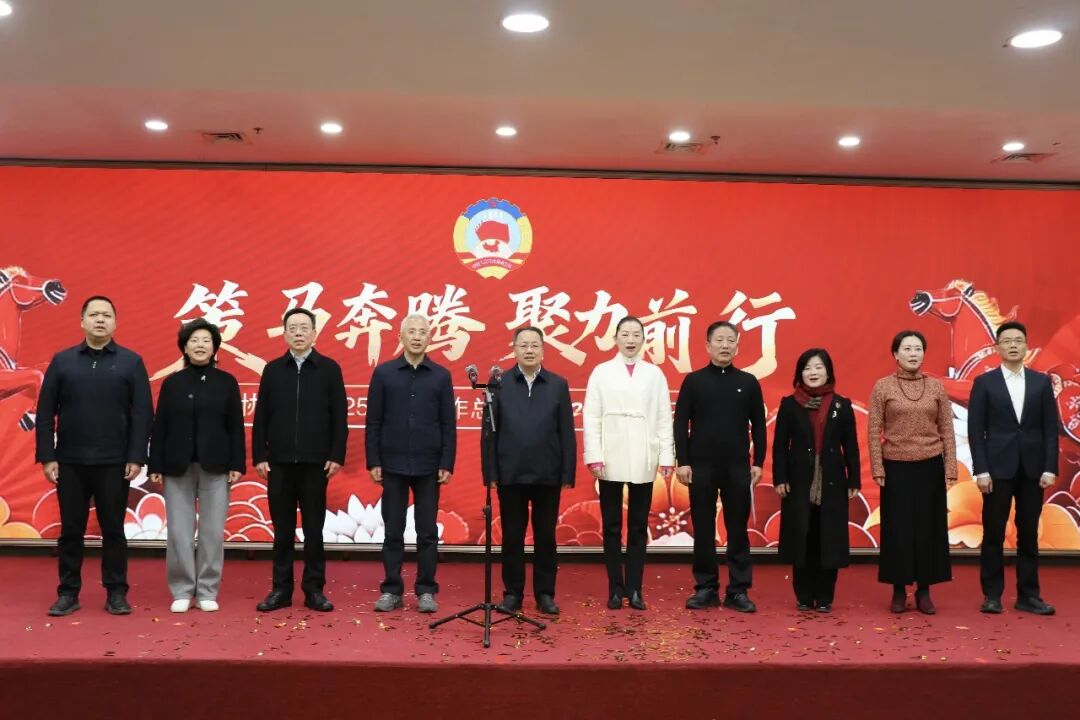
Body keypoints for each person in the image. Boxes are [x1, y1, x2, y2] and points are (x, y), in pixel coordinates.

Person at [36, 295, 153, 617]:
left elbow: (142, 413)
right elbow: (45, 412)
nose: (100, 320)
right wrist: (48, 456)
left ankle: (116, 592)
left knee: (113, 530)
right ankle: (68, 593)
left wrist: (136, 457)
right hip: (70, 461)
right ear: (82, 321)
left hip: (114, 462)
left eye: (106, 315)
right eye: (94, 314)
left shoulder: (131, 362)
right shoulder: (63, 361)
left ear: (115, 322)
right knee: (71, 531)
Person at [252, 308, 347, 613]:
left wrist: (336, 455)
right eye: (292, 328)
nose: (298, 333)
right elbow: (261, 416)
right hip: (279, 463)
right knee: (282, 530)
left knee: (314, 530)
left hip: (315, 464)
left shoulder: (329, 369)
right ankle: (281, 589)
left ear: (315, 333)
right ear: (284, 334)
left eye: (304, 327)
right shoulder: (273, 370)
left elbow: (339, 417)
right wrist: (259, 455)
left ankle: (314, 590)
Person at [148, 318, 244, 613]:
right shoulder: (173, 383)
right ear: (184, 347)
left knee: (212, 532)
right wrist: (155, 464)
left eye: (206, 340)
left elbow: (235, 426)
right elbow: (160, 426)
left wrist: (237, 463)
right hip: (177, 465)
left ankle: (207, 590)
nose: (200, 345)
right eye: (194, 340)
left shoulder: (227, 382)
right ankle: (181, 589)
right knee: (179, 531)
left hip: (217, 466)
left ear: (215, 347)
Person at [582, 316, 674, 611]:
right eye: (625, 334)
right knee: (611, 525)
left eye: (636, 334)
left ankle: (635, 588)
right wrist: (594, 454)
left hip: (644, 452)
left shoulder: (654, 374)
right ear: (616, 339)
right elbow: (591, 416)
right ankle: (614, 588)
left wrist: (667, 456)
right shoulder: (601, 371)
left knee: (638, 525)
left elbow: (664, 416)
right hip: (610, 451)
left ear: (644, 339)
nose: (631, 339)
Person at [674, 321, 766, 613]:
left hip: (737, 466)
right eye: (719, 340)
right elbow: (681, 423)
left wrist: (758, 461)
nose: (725, 345)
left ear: (737, 346)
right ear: (708, 345)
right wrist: (683, 461)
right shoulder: (694, 381)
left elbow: (759, 426)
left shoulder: (748, 382)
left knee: (737, 529)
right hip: (701, 466)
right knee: (703, 528)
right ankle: (706, 588)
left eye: (730, 341)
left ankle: (738, 590)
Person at [968, 321, 1059, 615]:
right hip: (996, 470)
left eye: (1018, 340)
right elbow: (975, 430)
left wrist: (1050, 467)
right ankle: (992, 595)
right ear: (997, 347)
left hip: (1033, 469)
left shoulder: (1041, 382)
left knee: (1029, 533)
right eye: (1007, 341)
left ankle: (1028, 595)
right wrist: (981, 470)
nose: (1013, 345)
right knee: (993, 533)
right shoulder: (985, 383)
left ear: (1027, 346)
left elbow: (1050, 429)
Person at [367, 314, 455, 614]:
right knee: (393, 530)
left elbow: (448, 423)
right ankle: (391, 589)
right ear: (401, 337)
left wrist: (447, 462)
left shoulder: (441, 376)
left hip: (429, 465)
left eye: (422, 332)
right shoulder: (384, 373)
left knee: (427, 532)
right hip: (392, 463)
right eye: (412, 332)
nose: (417, 337)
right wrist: (374, 460)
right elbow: (374, 421)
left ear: (429, 338)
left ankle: (426, 590)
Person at [488, 327, 575, 616]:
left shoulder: (557, 384)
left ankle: (545, 594)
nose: (529, 350)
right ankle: (512, 593)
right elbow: (489, 433)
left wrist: (567, 472)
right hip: (510, 473)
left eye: (534, 345)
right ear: (514, 349)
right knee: (512, 536)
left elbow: (566, 431)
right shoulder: (498, 384)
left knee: (545, 536)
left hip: (547, 473)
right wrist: (490, 472)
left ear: (543, 350)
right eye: (523, 345)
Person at [869, 330, 956, 614]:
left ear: (924, 354)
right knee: (898, 529)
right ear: (896, 354)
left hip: (930, 465)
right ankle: (898, 590)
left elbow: (947, 430)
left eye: (918, 348)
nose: (913, 353)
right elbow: (873, 430)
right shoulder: (882, 387)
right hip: (895, 467)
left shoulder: (936, 387)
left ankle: (924, 590)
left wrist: (950, 468)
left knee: (929, 528)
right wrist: (878, 466)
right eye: (906, 349)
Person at [772, 349, 860, 612]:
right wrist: (780, 477)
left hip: (832, 480)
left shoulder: (841, 405)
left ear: (828, 372)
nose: (813, 372)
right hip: (798, 480)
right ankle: (803, 595)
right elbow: (780, 446)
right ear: (800, 373)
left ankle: (824, 597)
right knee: (802, 535)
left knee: (828, 537)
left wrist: (854, 479)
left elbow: (851, 446)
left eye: (819, 367)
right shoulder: (790, 404)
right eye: (808, 368)